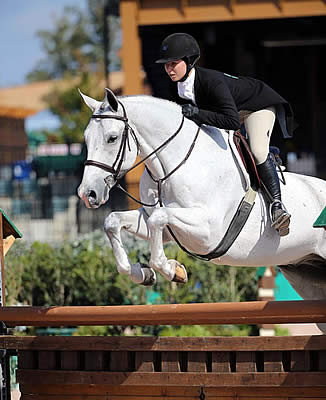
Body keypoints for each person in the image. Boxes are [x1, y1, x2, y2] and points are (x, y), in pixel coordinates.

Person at [155, 32, 295, 236]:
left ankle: (277, 206)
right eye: (166, 64)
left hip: (257, 106)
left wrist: (198, 114)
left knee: (256, 151)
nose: (169, 69)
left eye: (173, 63)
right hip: (230, 111)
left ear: (189, 61)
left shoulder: (211, 82)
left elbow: (229, 121)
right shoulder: (176, 87)